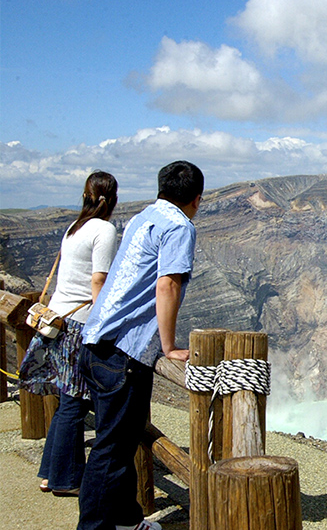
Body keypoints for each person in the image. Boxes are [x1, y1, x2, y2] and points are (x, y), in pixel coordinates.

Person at [77, 160, 203, 530]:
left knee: (118, 440)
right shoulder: (180, 225)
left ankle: (127, 521)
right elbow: (168, 284)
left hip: (97, 341)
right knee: (111, 452)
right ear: (197, 199)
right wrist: (168, 346)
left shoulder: (141, 217)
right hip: (124, 352)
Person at [19, 171, 119, 497]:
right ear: (112, 198)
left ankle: (51, 473)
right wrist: (108, 323)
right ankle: (64, 479)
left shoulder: (74, 228)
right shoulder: (104, 229)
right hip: (80, 325)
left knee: (66, 402)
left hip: (59, 320)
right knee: (75, 404)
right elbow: (98, 283)